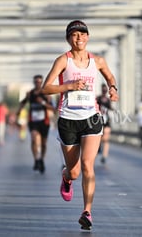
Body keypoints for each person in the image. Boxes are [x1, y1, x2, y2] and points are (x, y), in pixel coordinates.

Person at [41, 20, 119, 230]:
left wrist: (113, 88)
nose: (79, 38)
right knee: (74, 172)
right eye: (75, 35)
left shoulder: (98, 61)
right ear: (68, 39)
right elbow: (45, 88)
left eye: (83, 34)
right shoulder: (63, 61)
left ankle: (87, 212)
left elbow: (110, 77)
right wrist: (69, 86)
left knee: (87, 165)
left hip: (91, 118)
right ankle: (66, 177)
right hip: (68, 119)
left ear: (88, 37)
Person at [17, 75, 54, 174]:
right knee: (34, 139)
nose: (37, 84)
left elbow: (53, 108)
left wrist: (42, 102)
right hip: (33, 121)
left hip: (44, 122)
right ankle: (36, 159)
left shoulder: (46, 94)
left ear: (41, 83)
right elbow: (23, 103)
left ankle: (41, 159)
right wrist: (19, 111)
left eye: (39, 82)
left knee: (43, 143)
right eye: (36, 82)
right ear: (34, 82)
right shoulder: (30, 94)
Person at [96, 83, 113, 163]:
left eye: (105, 90)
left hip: (106, 120)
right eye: (103, 89)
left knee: (106, 139)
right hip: (99, 120)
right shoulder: (98, 98)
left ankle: (104, 156)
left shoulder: (108, 100)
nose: (104, 91)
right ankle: (98, 147)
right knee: (100, 137)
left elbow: (110, 108)